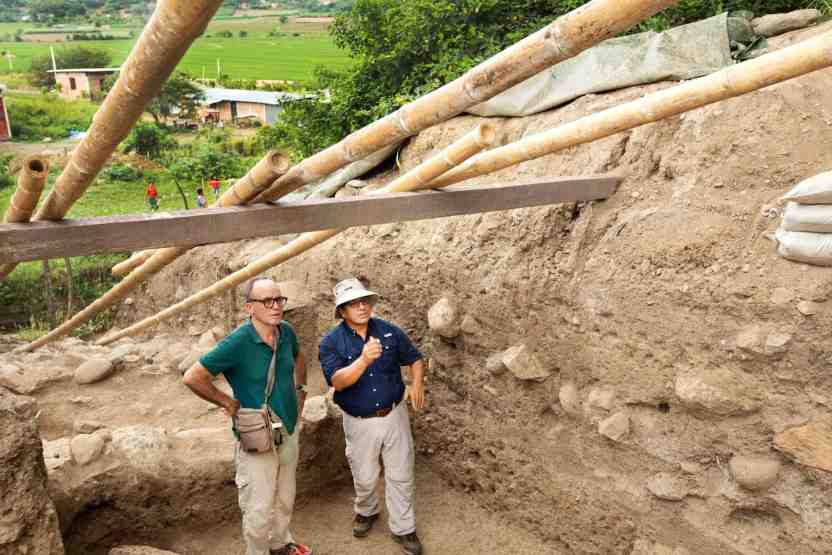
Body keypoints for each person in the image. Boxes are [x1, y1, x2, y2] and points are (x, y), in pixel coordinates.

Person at [183, 277, 313, 555]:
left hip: (288, 427)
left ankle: (280, 544)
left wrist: (300, 390)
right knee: (258, 506)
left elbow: (299, 357)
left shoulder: (286, 332)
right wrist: (227, 402)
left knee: (285, 497)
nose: (276, 306)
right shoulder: (238, 342)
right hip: (257, 434)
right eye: (267, 301)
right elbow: (193, 377)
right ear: (249, 308)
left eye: (279, 299)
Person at [318, 278, 426, 555]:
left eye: (364, 300)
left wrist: (417, 383)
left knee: (401, 474)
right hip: (359, 422)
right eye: (353, 303)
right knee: (365, 477)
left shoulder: (389, 331)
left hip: (395, 415)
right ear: (341, 311)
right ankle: (366, 510)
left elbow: (414, 358)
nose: (362, 306)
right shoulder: (331, 343)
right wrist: (364, 359)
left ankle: (404, 528)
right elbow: (338, 382)